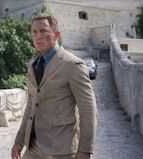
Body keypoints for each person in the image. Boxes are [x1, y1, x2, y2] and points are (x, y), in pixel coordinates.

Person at [11, 13, 97, 159]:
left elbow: (88, 109)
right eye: (34, 32)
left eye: (43, 31)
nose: (38, 36)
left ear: (56, 34)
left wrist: (85, 150)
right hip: (33, 147)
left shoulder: (73, 65)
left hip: (61, 149)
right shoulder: (33, 66)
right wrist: (19, 140)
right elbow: (31, 106)